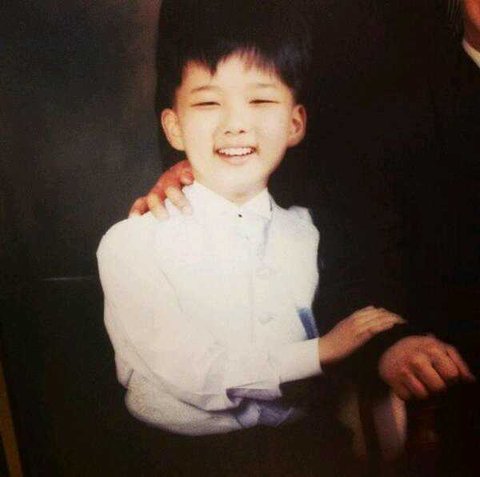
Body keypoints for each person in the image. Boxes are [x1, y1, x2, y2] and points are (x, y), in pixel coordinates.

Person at [97, 2, 404, 475]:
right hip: (183, 458)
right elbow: (188, 370)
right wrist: (318, 353)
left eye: (259, 102)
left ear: (296, 123)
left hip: (304, 445)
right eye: (208, 104)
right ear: (174, 126)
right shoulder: (134, 243)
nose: (236, 123)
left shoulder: (311, 232)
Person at [132, 0, 477, 405]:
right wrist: (189, 165)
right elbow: (180, 71)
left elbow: (444, 58)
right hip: (269, 197)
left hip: (394, 203)